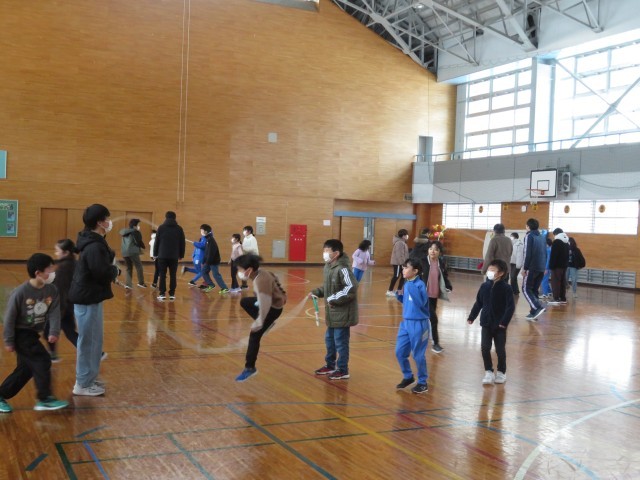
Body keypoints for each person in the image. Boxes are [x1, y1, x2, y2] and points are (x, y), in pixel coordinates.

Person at [0, 253, 69, 412]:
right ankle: (44, 398)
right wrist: (8, 340)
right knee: (43, 360)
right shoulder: (20, 292)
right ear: (38, 273)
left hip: (32, 333)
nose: (52, 273)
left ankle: (1, 394)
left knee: (26, 368)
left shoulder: (51, 290)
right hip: (20, 333)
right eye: (49, 269)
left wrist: (54, 331)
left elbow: (54, 312)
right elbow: (9, 318)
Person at [69, 204, 119, 396]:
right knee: (88, 342)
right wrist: (114, 271)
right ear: (100, 222)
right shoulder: (94, 246)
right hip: (87, 297)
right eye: (107, 218)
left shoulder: (95, 242)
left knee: (94, 340)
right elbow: (101, 272)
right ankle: (82, 384)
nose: (109, 222)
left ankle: (88, 378)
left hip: (91, 296)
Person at [234, 255, 287, 381]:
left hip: (272, 308)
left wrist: (259, 321)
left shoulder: (260, 281)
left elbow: (265, 303)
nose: (239, 272)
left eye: (240, 269)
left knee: (254, 335)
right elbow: (275, 278)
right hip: (272, 302)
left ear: (249, 270)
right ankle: (268, 324)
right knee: (245, 302)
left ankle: (250, 368)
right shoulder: (261, 273)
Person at [312, 239, 358, 380]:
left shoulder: (343, 268)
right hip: (332, 314)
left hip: (342, 314)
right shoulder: (328, 267)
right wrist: (317, 292)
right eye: (324, 250)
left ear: (336, 253)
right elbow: (328, 288)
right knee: (330, 340)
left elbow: (351, 288)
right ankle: (330, 365)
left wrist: (333, 298)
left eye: (327, 251)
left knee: (341, 343)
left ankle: (343, 369)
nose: (324, 253)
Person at [467, 259, 515, 385]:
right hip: (486, 323)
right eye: (489, 269)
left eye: (492, 270)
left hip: (500, 326)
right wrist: (472, 316)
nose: (489, 272)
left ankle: (501, 372)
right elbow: (479, 303)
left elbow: (510, 307)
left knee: (500, 350)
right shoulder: (484, 286)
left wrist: (504, 322)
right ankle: (488, 371)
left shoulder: (506, 288)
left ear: (501, 273)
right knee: (485, 348)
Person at [395, 258, 430, 395]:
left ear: (415, 271)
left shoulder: (419, 285)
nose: (403, 270)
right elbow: (407, 301)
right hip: (406, 323)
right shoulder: (407, 283)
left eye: (406, 268)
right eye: (403, 267)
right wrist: (399, 296)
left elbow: (421, 303)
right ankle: (408, 376)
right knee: (399, 352)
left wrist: (409, 287)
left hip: (419, 324)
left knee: (418, 355)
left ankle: (423, 382)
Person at [45, 239, 80, 362]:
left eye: (57, 251)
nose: (56, 253)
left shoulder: (64, 268)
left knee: (48, 331)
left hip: (61, 306)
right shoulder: (74, 263)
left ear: (65, 252)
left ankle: (53, 355)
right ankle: (95, 353)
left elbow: (60, 290)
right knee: (70, 332)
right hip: (69, 304)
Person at [423, 241, 452, 353]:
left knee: (429, 319)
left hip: (434, 295)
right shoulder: (422, 262)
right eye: (430, 249)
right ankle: (435, 343)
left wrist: (448, 286)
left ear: (439, 252)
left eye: (435, 249)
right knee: (433, 319)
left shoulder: (441, 262)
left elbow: (444, 276)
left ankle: (424, 338)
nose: (433, 251)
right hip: (423, 296)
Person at [152, 211, 186, 301]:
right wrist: (181, 255)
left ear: (166, 217)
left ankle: (162, 293)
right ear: (175, 218)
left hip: (162, 255)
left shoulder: (161, 228)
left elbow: (156, 242)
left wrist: (155, 254)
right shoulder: (179, 228)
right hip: (174, 256)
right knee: (173, 275)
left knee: (162, 275)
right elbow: (182, 243)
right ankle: (172, 294)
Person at [522, 218, 547, 321]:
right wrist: (544, 267)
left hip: (532, 267)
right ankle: (533, 313)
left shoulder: (529, 236)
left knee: (525, 289)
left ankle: (537, 307)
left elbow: (527, 253)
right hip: (541, 267)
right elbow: (545, 252)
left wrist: (525, 268)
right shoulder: (542, 237)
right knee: (534, 290)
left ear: (528, 226)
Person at [200, 224, 229, 294]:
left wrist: (207, 262)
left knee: (216, 275)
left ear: (206, 231)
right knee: (203, 272)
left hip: (213, 261)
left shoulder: (211, 240)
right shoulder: (207, 239)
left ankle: (225, 288)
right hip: (208, 261)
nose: (201, 232)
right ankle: (211, 285)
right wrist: (203, 261)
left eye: (201, 230)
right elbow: (206, 251)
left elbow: (211, 253)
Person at [119, 218, 147, 290]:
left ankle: (128, 284)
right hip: (133, 251)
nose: (139, 226)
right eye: (138, 225)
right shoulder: (136, 232)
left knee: (129, 267)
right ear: (135, 226)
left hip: (124, 252)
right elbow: (138, 241)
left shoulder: (125, 232)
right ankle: (141, 283)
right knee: (139, 266)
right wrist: (144, 246)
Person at [547, 228, 570, 305]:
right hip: (564, 266)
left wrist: (551, 266)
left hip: (556, 266)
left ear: (556, 234)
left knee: (555, 282)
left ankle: (556, 298)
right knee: (562, 282)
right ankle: (563, 298)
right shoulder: (567, 242)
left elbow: (554, 255)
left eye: (554, 235)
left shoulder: (556, 242)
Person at [386, 229, 409, 297]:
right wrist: (403, 263)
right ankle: (389, 291)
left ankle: (399, 290)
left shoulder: (402, 242)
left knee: (403, 276)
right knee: (396, 276)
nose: (407, 236)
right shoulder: (400, 243)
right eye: (406, 235)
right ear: (403, 236)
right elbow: (399, 254)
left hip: (401, 263)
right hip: (398, 263)